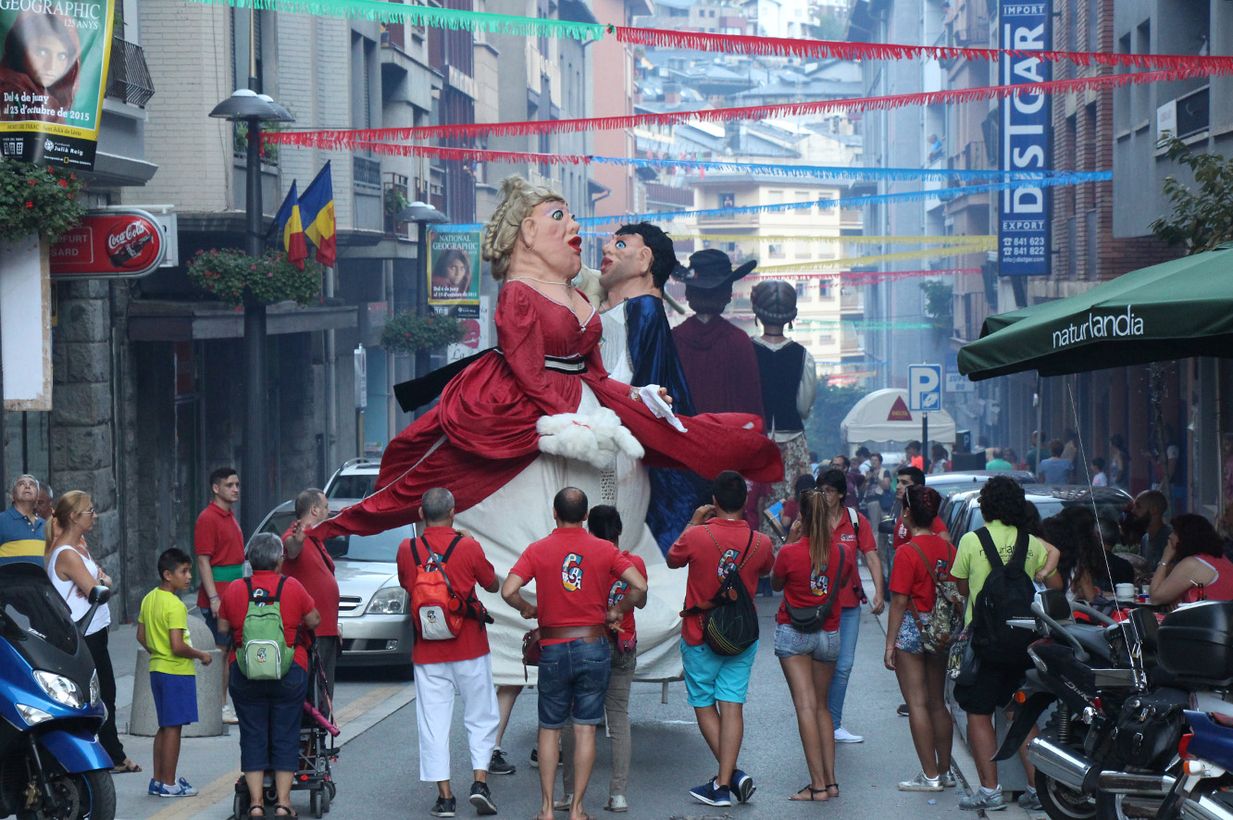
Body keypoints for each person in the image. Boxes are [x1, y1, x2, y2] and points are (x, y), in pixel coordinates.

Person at [312, 176, 781, 695]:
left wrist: (627, 402)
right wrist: (576, 414)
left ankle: (581, 637)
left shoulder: (593, 298)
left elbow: (609, 365)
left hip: (585, 409)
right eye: (560, 217)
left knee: (605, 523)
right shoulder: (529, 294)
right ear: (528, 232)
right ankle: (562, 639)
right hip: (553, 415)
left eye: (574, 219)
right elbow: (530, 365)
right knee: (486, 500)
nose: (579, 228)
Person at [501, 487, 647, 820]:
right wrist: (616, 611)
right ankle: (578, 809)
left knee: (550, 728)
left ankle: (547, 809)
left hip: (553, 648)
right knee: (585, 727)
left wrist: (528, 608)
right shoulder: (604, 549)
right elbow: (639, 585)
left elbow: (509, 590)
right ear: (584, 516)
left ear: (554, 513)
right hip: (593, 646)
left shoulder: (538, 550)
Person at [950, 477, 1063, 812]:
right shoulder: (1031, 543)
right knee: (1022, 714)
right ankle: (1036, 789)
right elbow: (1054, 584)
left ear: (986, 505)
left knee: (978, 712)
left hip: (984, 643)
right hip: (1025, 642)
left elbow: (961, 587)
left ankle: (989, 791)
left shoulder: (972, 540)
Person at [597, 222, 706, 554]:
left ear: (644, 259)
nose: (606, 249)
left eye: (620, 245)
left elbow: (620, 376)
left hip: (620, 445)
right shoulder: (623, 310)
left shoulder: (642, 309)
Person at [667, 471, 772, 807]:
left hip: (700, 633)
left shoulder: (697, 536)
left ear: (714, 501)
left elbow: (673, 559)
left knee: (702, 702)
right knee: (733, 705)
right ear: (745, 501)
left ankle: (726, 784)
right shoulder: (761, 542)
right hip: (742, 635)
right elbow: (766, 571)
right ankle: (728, 779)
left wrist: (694, 521)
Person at [397, 488, 501, 818]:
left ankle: (444, 798)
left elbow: (407, 585)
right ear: (453, 512)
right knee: (481, 714)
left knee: (432, 722)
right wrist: (469, 543)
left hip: (427, 649)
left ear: (420, 514)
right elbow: (491, 583)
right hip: (470, 644)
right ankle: (480, 782)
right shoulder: (467, 546)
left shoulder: (407, 548)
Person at [218, 533, 320, 819]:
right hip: (288, 672)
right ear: (279, 560)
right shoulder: (293, 587)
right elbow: (314, 620)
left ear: (250, 560)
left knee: (252, 734)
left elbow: (224, 627)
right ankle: (284, 802)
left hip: (245, 672)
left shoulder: (237, 589)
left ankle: (255, 803)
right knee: (286, 733)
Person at [558, 505, 647, 814]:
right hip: (624, 644)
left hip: (588, 644)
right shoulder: (632, 563)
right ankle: (619, 793)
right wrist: (621, 607)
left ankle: (570, 793)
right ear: (619, 529)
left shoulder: (588, 561)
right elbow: (642, 599)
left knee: (574, 717)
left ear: (589, 529)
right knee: (619, 718)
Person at [44, 491, 140, 775]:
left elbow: (101, 579)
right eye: (89, 511)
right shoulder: (66, 553)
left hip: (95, 630)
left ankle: (110, 751)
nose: (94, 515)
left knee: (104, 693)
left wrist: (101, 580)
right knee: (100, 694)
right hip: (83, 633)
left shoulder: (79, 547)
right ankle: (112, 754)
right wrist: (100, 581)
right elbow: (98, 589)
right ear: (74, 517)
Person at [771, 488, 848, 802]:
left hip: (795, 631)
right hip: (829, 633)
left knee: (804, 707)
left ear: (801, 516)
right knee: (822, 707)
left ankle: (816, 786)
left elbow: (776, 583)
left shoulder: (790, 552)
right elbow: (840, 583)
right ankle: (830, 782)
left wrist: (790, 541)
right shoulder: (840, 551)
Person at [884, 484, 956, 792]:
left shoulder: (906, 552)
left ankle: (929, 776)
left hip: (913, 627)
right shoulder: (949, 549)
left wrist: (890, 644)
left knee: (916, 703)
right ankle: (945, 770)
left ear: (908, 513)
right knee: (938, 702)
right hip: (941, 628)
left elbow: (899, 602)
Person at [808, 469, 883, 744]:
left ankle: (834, 723)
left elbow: (871, 556)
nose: (824, 495)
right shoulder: (810, 519)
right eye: (821, 490)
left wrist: (879, 591)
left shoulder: (855, 520)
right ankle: (815, 717)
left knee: (843, 665)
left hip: (848, 604)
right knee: (817, 663)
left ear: (841, 494)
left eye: (828, 490)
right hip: (815, 605)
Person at [138, 548, 213, 799]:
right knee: (174, 729)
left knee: (164, 726)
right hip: (176, 672)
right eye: (184, 571)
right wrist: (201, 654)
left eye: (189, 570)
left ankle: (158, 780)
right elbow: (177, 645)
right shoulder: (176, 605)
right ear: (168, 575)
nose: (189, 576)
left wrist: (156, 651)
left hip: (157, 669)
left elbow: (141, 635)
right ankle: (169, 783)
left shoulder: (149, 598)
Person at [749, 279, 817, 542]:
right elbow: (803, 406)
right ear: (792, 315)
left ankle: (760, 558)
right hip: (793, 444)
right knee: (795, 503)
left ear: (757, 313)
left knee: (756, 503)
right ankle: (790, 557)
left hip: (756, 443)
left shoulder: (747, 350)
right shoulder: (802, 355)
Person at [670, 248, 765, 417]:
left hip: (683, 439)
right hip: (729, 440)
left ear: (688, 293)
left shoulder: (673, 340)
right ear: (727, 294)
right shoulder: (739, 342)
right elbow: (752, 405)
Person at [195, 466, 244, 724]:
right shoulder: (208, 518)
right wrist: (214, 598)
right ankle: (219, 705)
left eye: (237, 485)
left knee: (230, 651)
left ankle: (225, 703)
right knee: (221, 651)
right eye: (230, 485)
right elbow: (203, 561)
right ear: (216, 488)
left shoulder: (229, 516)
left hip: (234, 594)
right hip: (219, 597)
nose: (235, 489)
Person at [281, 488, 340, 695]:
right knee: (313, 687)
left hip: (326, 627)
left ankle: (323, 724)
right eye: (325, 507)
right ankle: (315, 724)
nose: (328, 511)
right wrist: (298, 539)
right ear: (314, 510)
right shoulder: (294, 534)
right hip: (311, 628)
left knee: (323, 686)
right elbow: (291, 548)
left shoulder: (316, 537)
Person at [0, 12, 81, 125]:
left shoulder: (54, 100)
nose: (51, 66)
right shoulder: (10, 93)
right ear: (19, 50)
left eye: (62, 56)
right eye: (42, 52)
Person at [1149, 513, 1233, 606]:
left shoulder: (1193, 564)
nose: (1170, 536)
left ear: (1186, 537)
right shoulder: (1219, 559)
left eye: (1175, 532)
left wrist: (1165, 559)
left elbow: (1156, 598)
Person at [0, 474, 45, 566]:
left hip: (40, 580)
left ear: (37, 497)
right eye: (21, 484)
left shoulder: (46, 525)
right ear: (12, 495)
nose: (27, 486)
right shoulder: (2, 520)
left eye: (32, 484)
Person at [1132, 489, 1171, 570]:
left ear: (1154, 509)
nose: (1133, 511)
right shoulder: (1145, 538)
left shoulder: (1170, 538)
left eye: (1138, 506)